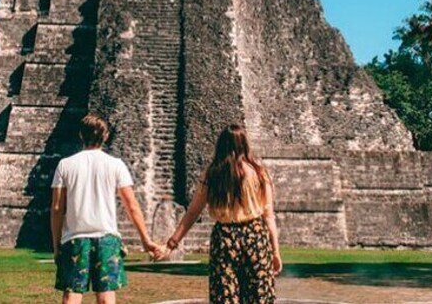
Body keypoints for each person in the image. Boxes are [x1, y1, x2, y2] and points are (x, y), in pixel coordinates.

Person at [51, 114, 166, 304]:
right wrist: (145, 239)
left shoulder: (65, 165)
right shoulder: (115, 165)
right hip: (107, 238)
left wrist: (56, 245)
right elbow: (132, 206)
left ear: (81, 135)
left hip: (75, 238)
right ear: (105, 136)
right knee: (106, 298)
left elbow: (56, 208)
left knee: (72, 296)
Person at [163, 123, 282, 304]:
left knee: (224, 295)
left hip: (225, 237)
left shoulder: (212, 174)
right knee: (259, 296)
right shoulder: (258, 173)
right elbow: (269, 217)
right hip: (255, 235)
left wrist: (173, 242)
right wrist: (275, 251)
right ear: (245, 144)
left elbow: (193, 212)